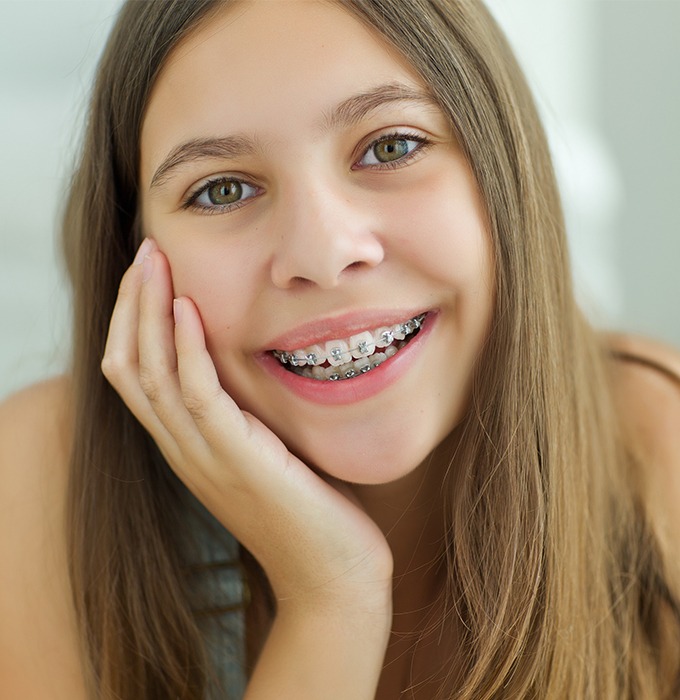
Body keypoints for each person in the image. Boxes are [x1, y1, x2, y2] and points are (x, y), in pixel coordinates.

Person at [1, 0, 679, 698]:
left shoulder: (664, 461)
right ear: (132, 256)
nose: (321, 254)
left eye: (392, 146)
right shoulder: (39, 488)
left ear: (503, 166)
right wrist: (330, 600)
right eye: (222, 190)